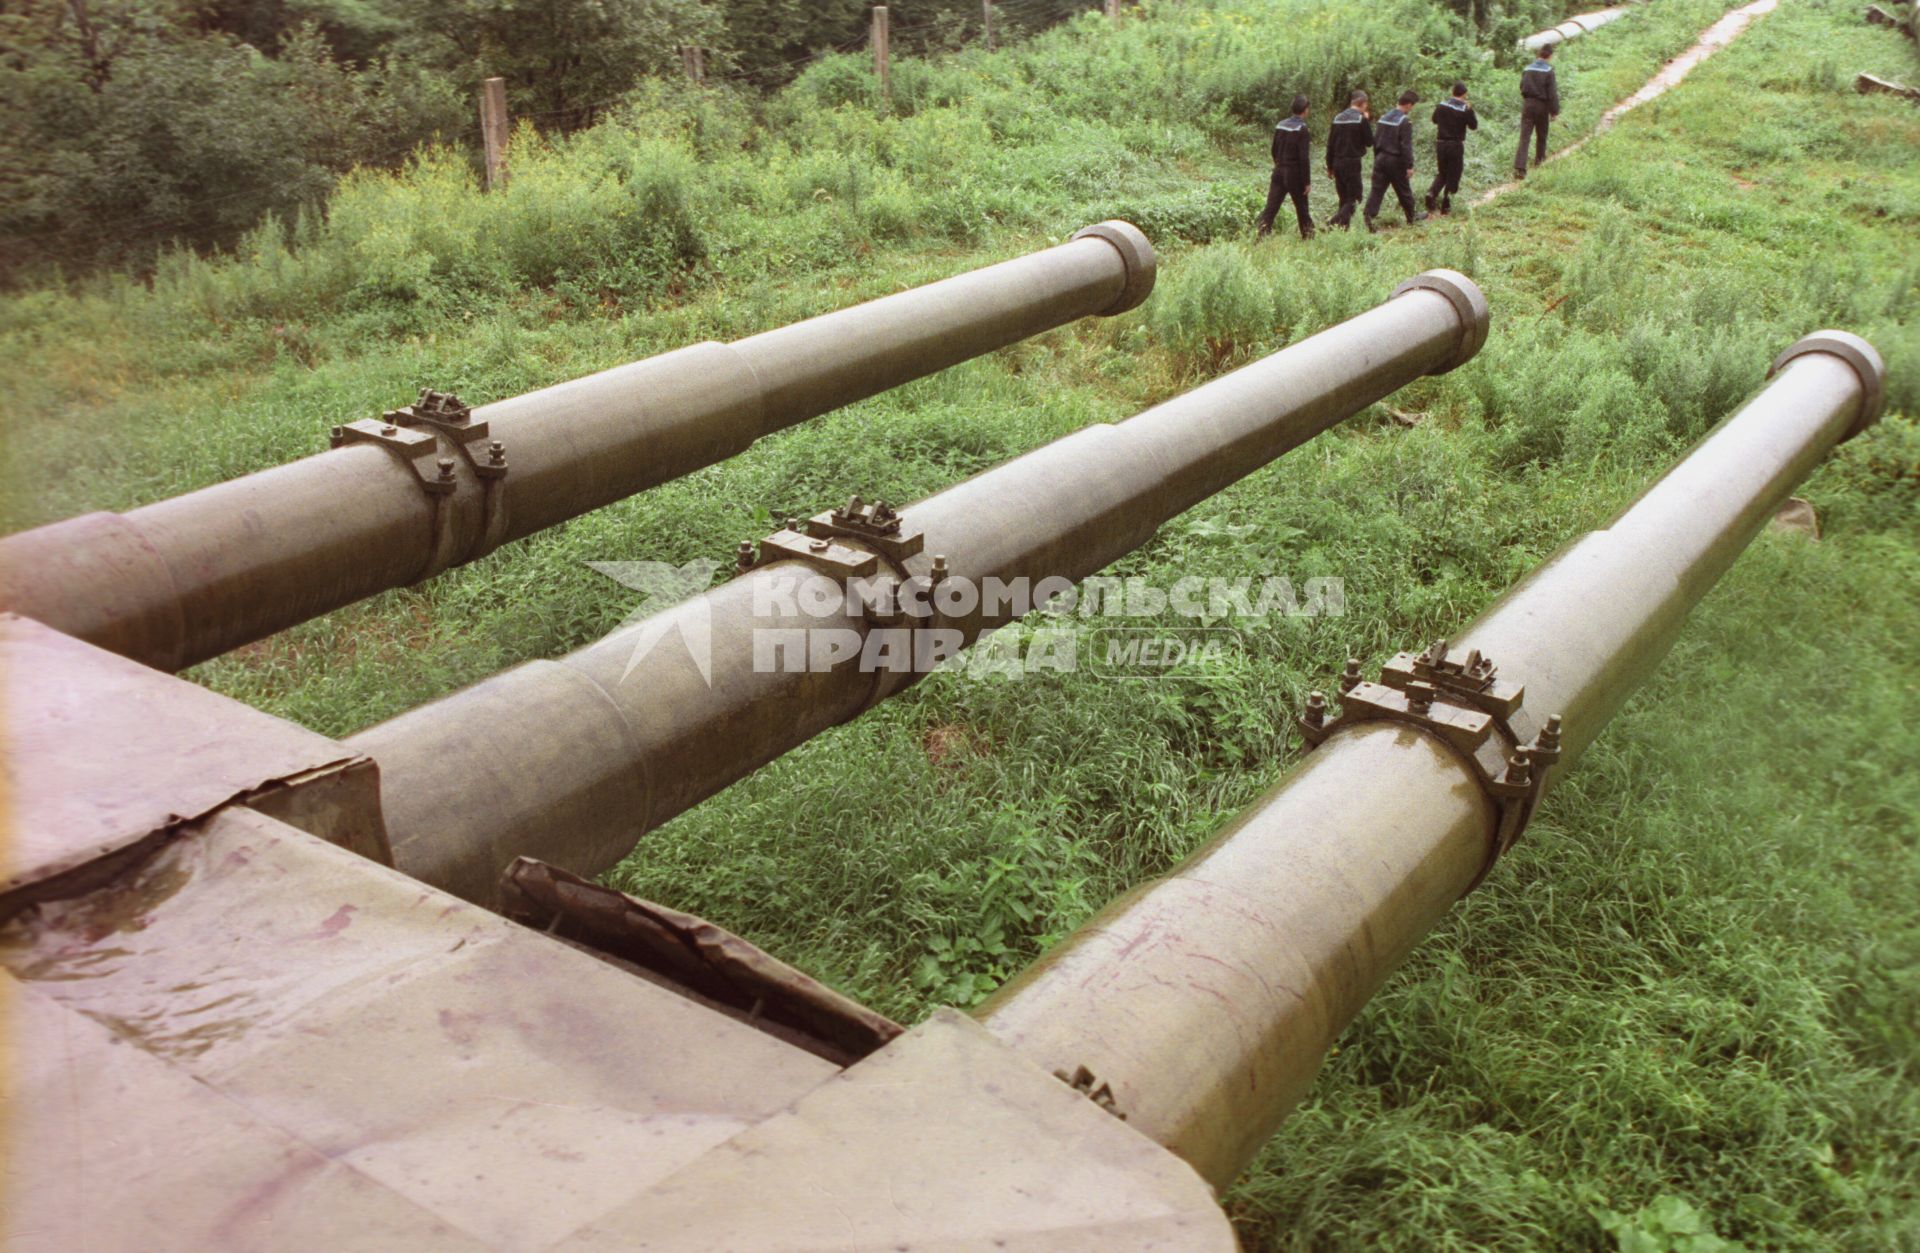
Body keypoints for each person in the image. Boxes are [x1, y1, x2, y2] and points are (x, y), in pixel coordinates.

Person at [1364, 90, 1427, 231]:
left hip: (1380, 159)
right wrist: (1409, 166)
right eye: (1413, 107)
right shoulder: (1404, 121)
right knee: (1404, 190)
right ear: (1409, 105)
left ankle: (1368, 218)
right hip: (1395, 161)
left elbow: (1376, 140)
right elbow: (1406, 146)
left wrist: (1377, 159)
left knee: (1376, 191)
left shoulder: (1383, 118)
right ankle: (1412, 217)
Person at [1258, 94, 1315, 239]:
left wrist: (1279, 163)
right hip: (1294, 173)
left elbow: (1273, 150)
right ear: (1306, 110)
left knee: (1271, 207)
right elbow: (1304, 158)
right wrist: (1307, 182)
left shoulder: (1280, 125)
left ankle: (1261, 235)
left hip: (1278, 171)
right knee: (1302, 207)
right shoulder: (1302, 129)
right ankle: (1308, 237)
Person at [1425, 81, 1477, 214]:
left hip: (1441, 143)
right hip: (1455, 145)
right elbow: (1473, 126)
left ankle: (1431, 193)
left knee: (1443, 172)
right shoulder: (1465, 109)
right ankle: (1446, 205)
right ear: (1464, 94)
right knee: (1454, 174)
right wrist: (1470, 110)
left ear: (1452, 92)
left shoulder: (1442, 105)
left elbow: (1434, 119)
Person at [1325, 90, 1374, 229]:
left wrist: (1329, 166)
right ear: (1361, 103)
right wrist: (1366, 120)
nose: (1366, 107)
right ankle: (1332, 223)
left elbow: (1330, 144)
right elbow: (1370, 142)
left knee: (1344, 198)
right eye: (1366, 104)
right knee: (1355, 198)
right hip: (1352, 163)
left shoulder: (1337, 118)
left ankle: (1343, 229)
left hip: (1337, 162)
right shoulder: (1360, 119)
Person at [1514, 43, 1560, 178]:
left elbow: (1522, 87)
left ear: (1539, 54)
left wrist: (1528, 99)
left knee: (1524, 137)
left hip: (1528, 104)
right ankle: (1539, 163)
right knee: (1542, 135)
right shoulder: (1549, 71)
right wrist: (1554, 111)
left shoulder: (1527, 69)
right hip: (1542, 106)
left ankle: (1520, 168)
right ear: (1550, 56)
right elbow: (1552, 94)